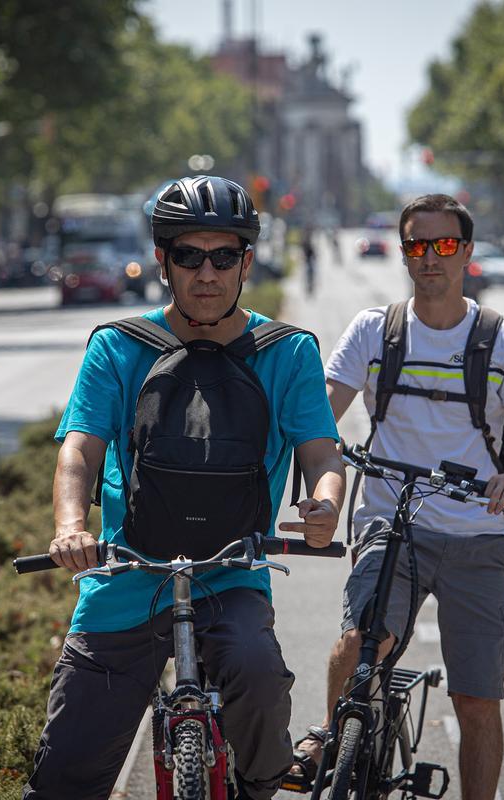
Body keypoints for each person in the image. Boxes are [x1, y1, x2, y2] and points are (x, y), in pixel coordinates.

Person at [25, 175, 346, 800]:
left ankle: (255, 790)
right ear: (162, 262)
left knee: (259, 679)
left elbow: (322, 454)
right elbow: (79, 451)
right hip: (125, 576)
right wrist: (70, 527)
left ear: (247, 262)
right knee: (64, 774)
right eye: (188, 256)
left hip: (232, 573)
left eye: (224, 256)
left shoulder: (289, 352)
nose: (207, 273)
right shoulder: (118, 347)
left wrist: (326, 504)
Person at [289, 194, 504, 800]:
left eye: (442, 245)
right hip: (392, 519)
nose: (429, 258)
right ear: (403, 251)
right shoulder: (374, 331)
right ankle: (332, 739)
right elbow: (318, 426)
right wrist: (320, 486)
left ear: (464, 252)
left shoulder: (502, 339)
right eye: (416, 245)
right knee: (362, 643)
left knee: (477, 696)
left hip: (478, 531)